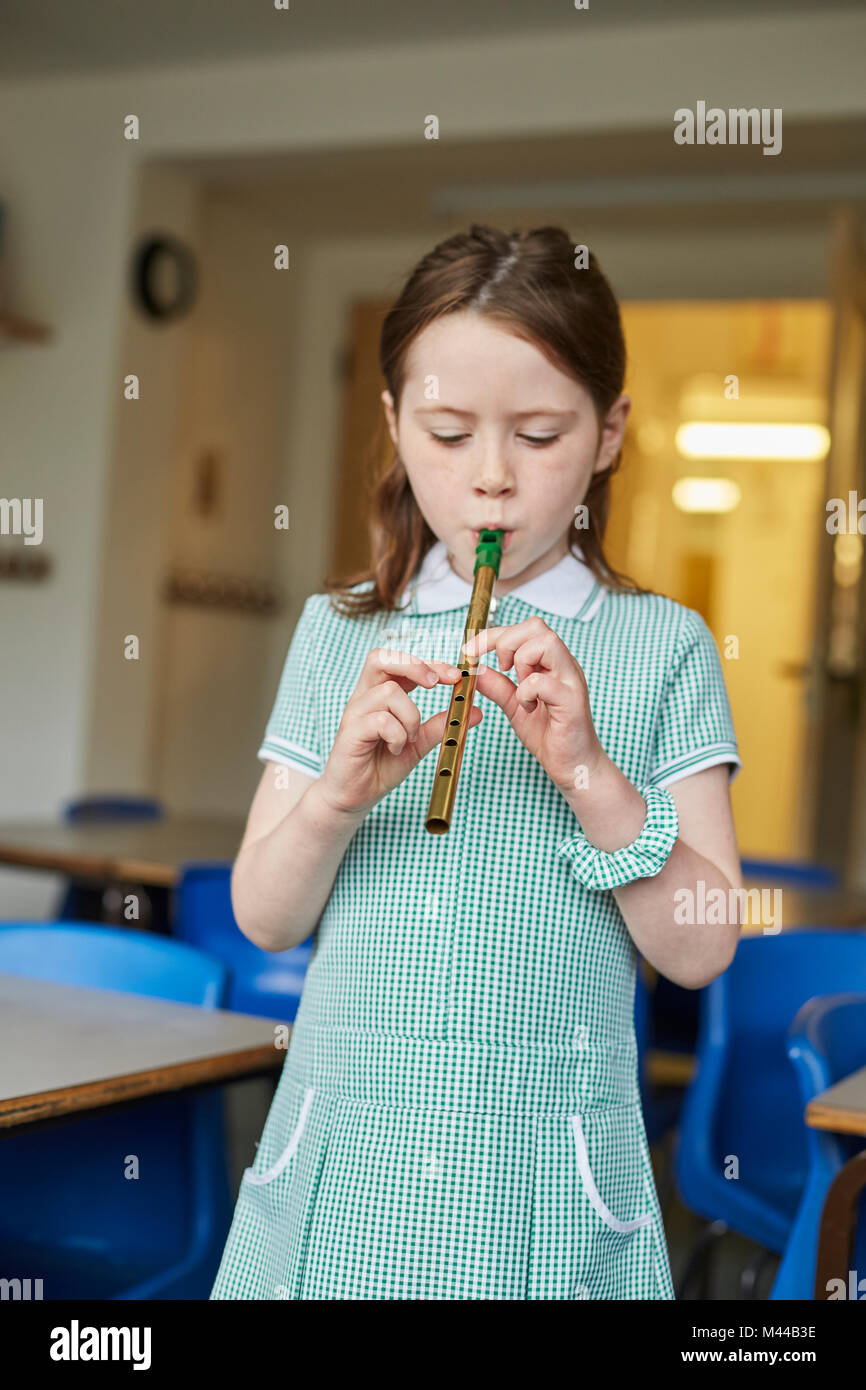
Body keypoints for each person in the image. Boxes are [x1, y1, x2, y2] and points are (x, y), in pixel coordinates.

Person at [210, 224, 742, 1300]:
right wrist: (333, 802)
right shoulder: (336, 634)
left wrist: (587, 769)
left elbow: (701, 948)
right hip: (345, 1160)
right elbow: (265, 916)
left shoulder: (663, 644)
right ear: (395, 424)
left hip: (541, 1182)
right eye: (448, 433)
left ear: (607, 434)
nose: (490, 481)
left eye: (539, 435)